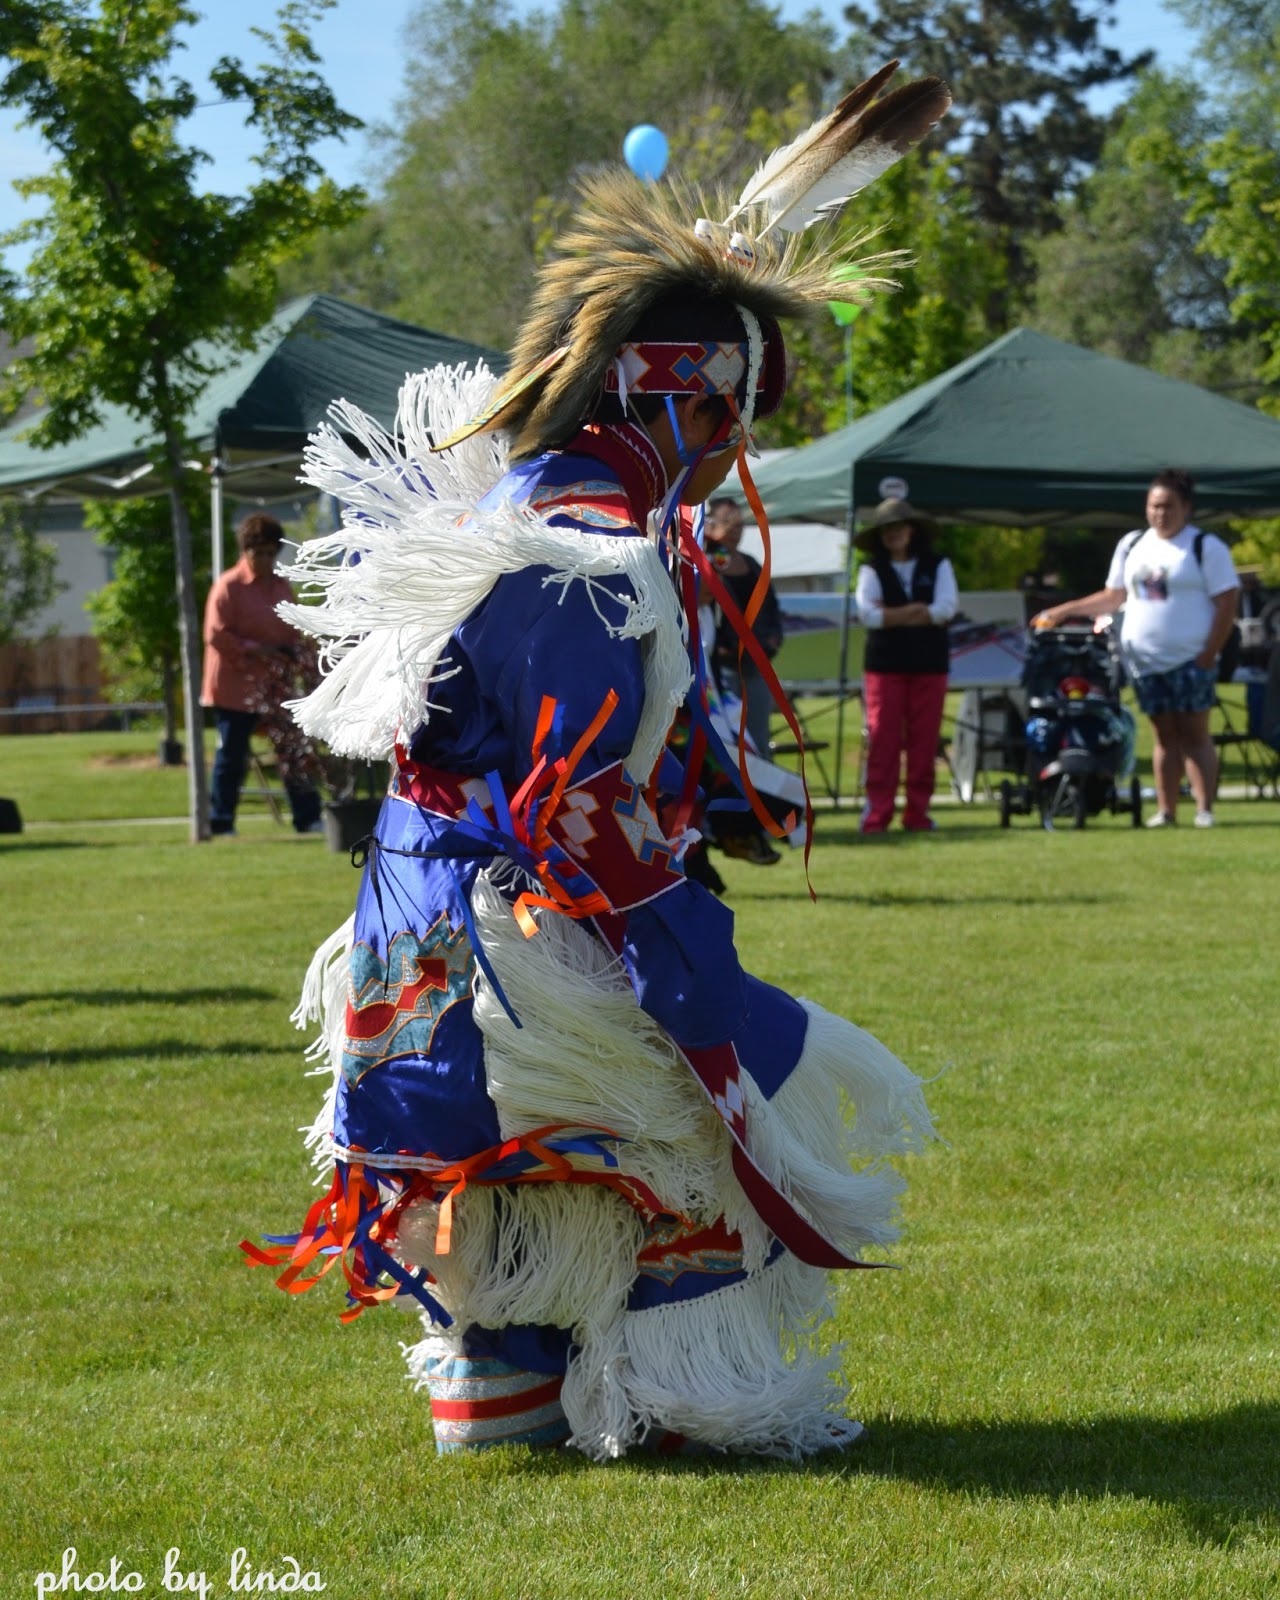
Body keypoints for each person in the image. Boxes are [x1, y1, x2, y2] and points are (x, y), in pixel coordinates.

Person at [246, 64, 950, 1459]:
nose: (735, 456)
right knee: (688, 1134)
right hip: (524, 922)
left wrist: (723, 796)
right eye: (733, 422)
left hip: (423, 917)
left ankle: (499, 1381)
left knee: (524, 1165)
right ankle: (689, 1396)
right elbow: (569, 790)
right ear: (679, 402)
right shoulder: (582, 547)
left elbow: (549, 732)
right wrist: (670, 938)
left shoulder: (519, 507)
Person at [1034, 470, 1240, 828]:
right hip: (1146, 662)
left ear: (1186, 508)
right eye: (1154, 506)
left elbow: (1228, 601)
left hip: (1191, 658)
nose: (1161, 513)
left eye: (1169, 506)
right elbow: (1113, 597)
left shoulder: (1204, 547)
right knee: (1164, 736)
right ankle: (1167, 810)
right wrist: (1062, 611)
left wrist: (1209, 653)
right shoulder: (1132, 545)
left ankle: (1204, 809)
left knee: (1194, 734)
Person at [200, 513, 324, 836]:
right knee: (232, 756)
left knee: (294, 749)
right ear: (246, 551)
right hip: (235, 688)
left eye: (271, 553)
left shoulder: (281, 586)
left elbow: (292, 628)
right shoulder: (228, 586)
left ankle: (308, 817)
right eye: (259, 553)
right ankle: (221, 821)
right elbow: (215, 634)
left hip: (276, 686)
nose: (265, 560)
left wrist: (301, 651)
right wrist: (258, 649)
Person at [853, 497, 958, 832]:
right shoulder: (871, 569)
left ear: (912, 530)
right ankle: (877, 814)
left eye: (898, 527)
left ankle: (918, 813)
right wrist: (916, 611)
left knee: (924, 742)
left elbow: (946, 608)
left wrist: (892, 616)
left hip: (929, 665)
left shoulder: (938, 564)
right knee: (882, 740)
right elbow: (868, 615)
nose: (893, 534)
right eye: (887, 529)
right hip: (884, 667)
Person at [704, 496, 784, 757]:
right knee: (727, 734)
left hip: (756, 661)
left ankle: (761, 783)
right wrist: (722, 647)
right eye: (728, 522)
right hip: (722, 666)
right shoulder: (706, 563)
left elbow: (771, 605)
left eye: (739, 523)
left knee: (758, 735)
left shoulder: (751, 564)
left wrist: (773, 638)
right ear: (710, 524)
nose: (735, 529)